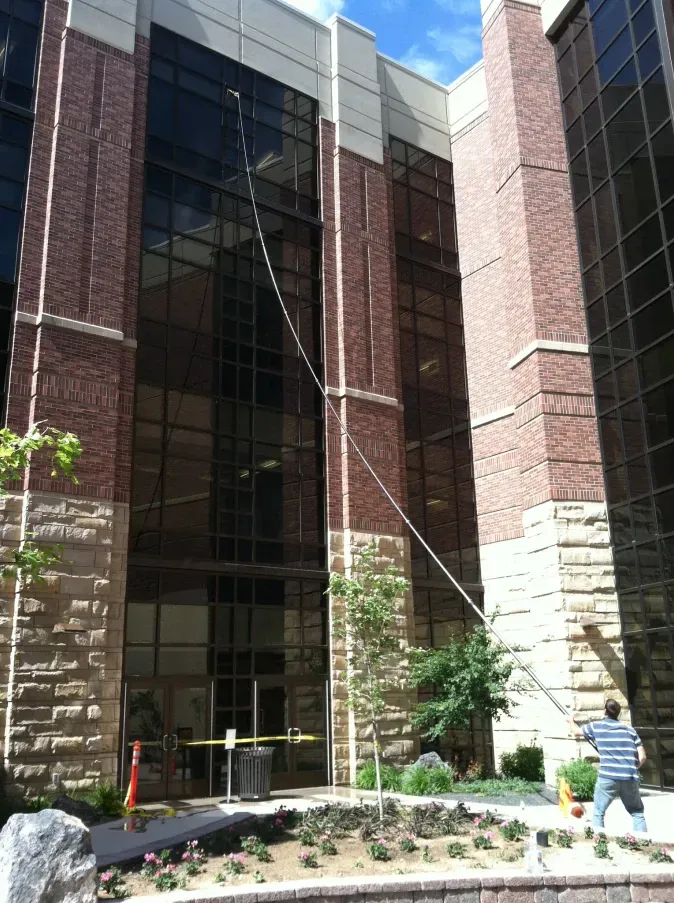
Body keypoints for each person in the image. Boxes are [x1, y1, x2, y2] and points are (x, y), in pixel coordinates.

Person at [569, 698, 648, 834]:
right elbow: (643, 757)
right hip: (629, 776)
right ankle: (643, 841)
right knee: (637, 813)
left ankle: (599, 840)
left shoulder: (596, 727)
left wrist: (570, 721)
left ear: (605, 711)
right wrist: (633, 768)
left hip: (608, 776)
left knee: (599, 812)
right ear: (618, 713)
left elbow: (576, 732)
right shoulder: (630, 730)